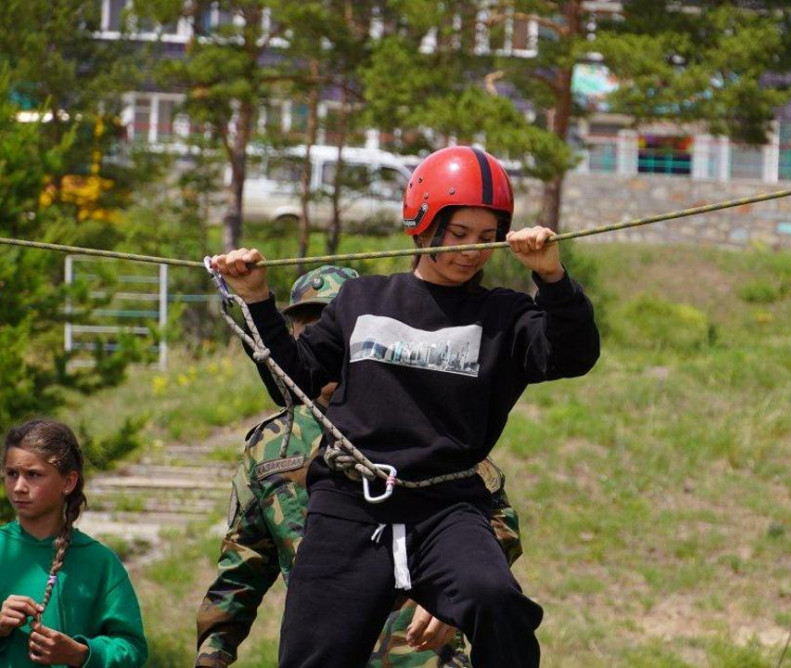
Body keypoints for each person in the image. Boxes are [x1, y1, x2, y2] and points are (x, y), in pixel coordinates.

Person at [211, 145, 600, 667]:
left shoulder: (506, 315)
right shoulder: (361, 301)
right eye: (458, 233)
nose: (471, 250)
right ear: (421, 225)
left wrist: (552, 278)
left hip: (447, 508)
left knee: (496, 599)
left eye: (487, 237)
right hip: (348, 506)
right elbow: (294, 383)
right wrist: (257, 298)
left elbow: (574, 355)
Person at [195, 265, 525, 667]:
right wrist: (214, 652)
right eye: (310, 323)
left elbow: (496, 524)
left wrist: (450, 604)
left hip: (418, 655)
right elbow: (243, 562)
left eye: (336, 323)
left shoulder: (430, 428)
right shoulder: (270, 446)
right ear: (295, 334)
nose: (327, 336)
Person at [0, 419, 148, 667]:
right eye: (11, 474)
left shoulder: (99, 562)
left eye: (33, 475)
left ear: (68, 482)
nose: (19, 487)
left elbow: (132, 650)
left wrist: (81, 654)